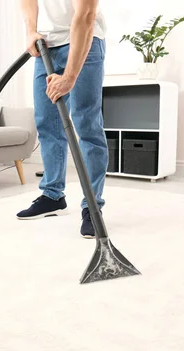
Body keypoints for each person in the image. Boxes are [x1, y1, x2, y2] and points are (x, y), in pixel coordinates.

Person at [17, 0, 108, 239]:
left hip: (84, 42)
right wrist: (30, 30)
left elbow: (86, 15)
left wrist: (69, 77)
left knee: (87, 125)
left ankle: (92, 206)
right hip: (46, 45)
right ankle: (52, 196)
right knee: (47, 124)